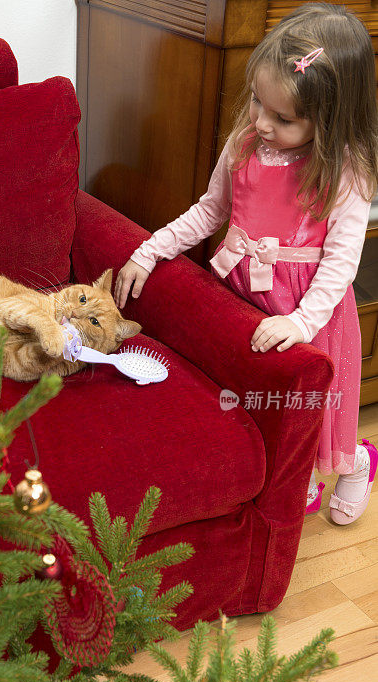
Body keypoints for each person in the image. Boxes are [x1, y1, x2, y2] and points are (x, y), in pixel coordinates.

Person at [114, 2, 378, 525]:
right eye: (257, 102)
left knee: (319, 413)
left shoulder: (346, 173)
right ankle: (294, 473)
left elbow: (340, 267)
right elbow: (210, 211)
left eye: (283, 118)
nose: (260, 122)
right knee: (267, 402)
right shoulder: (244, 145)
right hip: (244, 300)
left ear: (329, 120)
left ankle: (357, 465)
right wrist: (151, 249)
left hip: (308, 315)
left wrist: (300, 322)